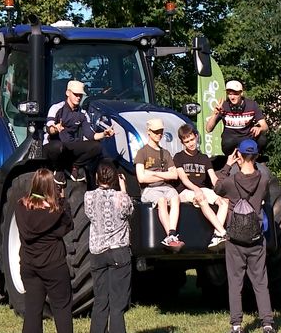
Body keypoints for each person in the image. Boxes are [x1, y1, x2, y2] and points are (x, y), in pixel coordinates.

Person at [214, 139, 276, 333]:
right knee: (260, 281)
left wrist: (228, 165)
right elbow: (264, 196)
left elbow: (217, 188)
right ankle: (267, 323)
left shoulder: (231, 181)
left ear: (239, 155)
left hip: (235, 239)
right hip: (256, 239)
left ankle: (236, 325)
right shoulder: (264, 180)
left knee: (235, 282)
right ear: (256, 156)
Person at [15, 168, 74, 333]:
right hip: (54, 266)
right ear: (51, 188)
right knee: (62, 308)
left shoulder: (20, 207)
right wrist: (62, 199)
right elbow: (67, 225)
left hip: (28, 266)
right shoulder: (55, 212)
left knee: (33, 311)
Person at [85, 160, 134, 333]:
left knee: (100, 301)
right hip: (119, 251)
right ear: (115, 178)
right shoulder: (121, 197)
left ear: (97, 177)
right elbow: (129, 211)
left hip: (98, 252)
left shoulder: (88, 197)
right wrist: (123, 188)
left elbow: (89, 215)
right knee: (117, 304)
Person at [43, 80, 114, 187]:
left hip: (70, 146)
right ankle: (59, 169)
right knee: (58, 146)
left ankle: (74, 166)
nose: (78, 97)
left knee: (97, 147)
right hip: (53, 145)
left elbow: (91, 135)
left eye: (80, 95)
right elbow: (49, 128)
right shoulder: (57, 108)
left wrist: (104, 134)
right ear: (68, 93)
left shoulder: (82, 113)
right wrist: (55, 129)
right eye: (76, 94)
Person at [173, 124, 229, 251]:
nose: (190, 143)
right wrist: (196, 190)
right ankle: (223, 232)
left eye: (192, 139)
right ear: (182, 142)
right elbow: (184, 179)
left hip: (202, 189)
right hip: (185, 191)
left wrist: (221, 189)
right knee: (201, 198)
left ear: (196, 137)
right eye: (186, 141)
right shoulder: (178, 157)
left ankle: (217, 236)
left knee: (224, 202)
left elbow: (213, 177)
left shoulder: (204, 158)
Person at [134, 118, 185, 252]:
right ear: (149, 132)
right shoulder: (142, 152)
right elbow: (141, 178)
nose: (159, 134)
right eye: (156, 131)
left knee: (175, 197)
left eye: (161, 131)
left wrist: (153, 174)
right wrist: (163, 174)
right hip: (149, 190)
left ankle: (172, 233)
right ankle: (170, 236)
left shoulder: (166, 153)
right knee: (161, 201)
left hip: (166, 187)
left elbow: (174, 175)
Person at [205, 80, 268, 157]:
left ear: (241, 93)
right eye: (229, 94)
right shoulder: (223, 106)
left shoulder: (252, 105)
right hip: (230, 141)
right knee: (229, 142)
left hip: (247, 138)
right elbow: (208, 129)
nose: (232, 97)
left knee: (262, 139)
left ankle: (255, 159)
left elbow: (265, 126)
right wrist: (215, 114)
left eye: (235, 94)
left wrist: (259, 128)